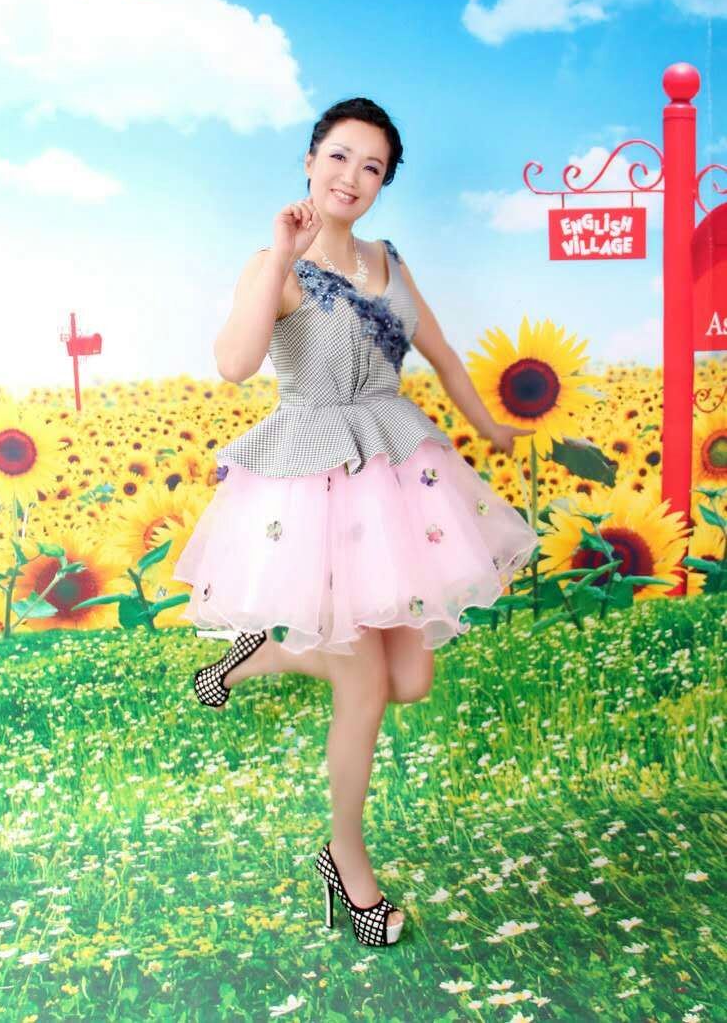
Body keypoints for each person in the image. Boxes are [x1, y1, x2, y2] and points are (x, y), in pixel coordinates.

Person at [172, 97, 539, 947]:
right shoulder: (277, 262)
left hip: (396, 474)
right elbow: (233, 363)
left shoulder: (388, 260)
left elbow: (441, 353)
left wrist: (489, 427)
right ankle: (345, 857)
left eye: (371, 166)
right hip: (315, 482)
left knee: (409, 678)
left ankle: (261, 652)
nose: (351, 177)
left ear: (382, 183)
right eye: (338, 156)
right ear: (310, 160)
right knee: (367, 684)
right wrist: (279, 253)